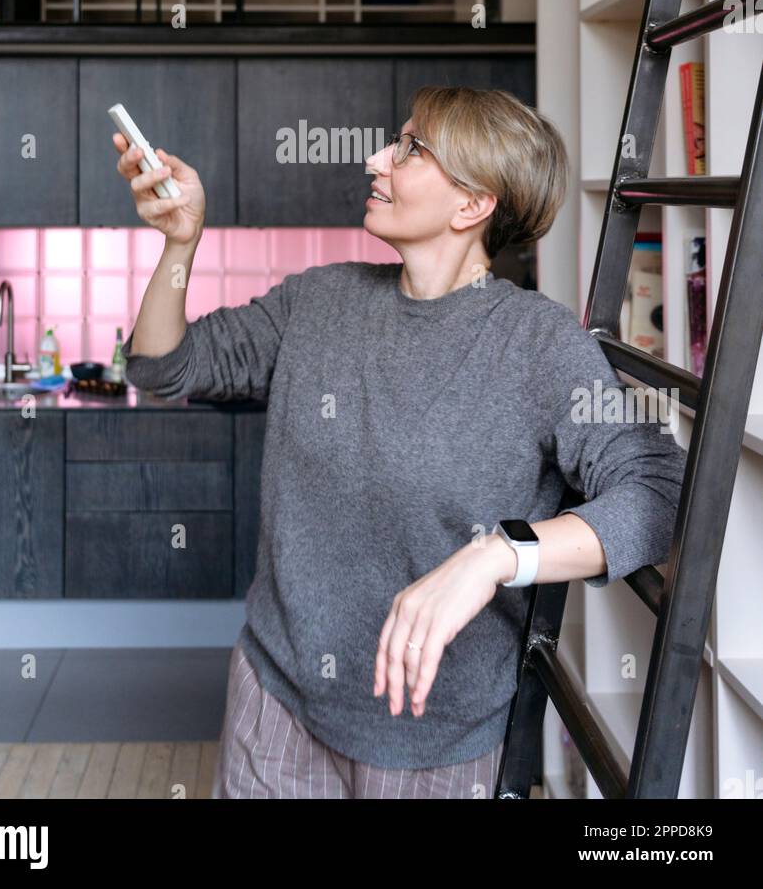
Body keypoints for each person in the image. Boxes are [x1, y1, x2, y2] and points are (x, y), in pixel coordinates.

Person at [114, 85, 687, 800]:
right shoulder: (319, 301)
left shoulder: (538, 345)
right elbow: (163, 366)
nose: (378, 158)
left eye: (412, 148)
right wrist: (180, 244)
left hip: (437, 743)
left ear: (472, 204)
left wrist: (498, 554)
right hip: (276, 705)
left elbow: (659, 492)